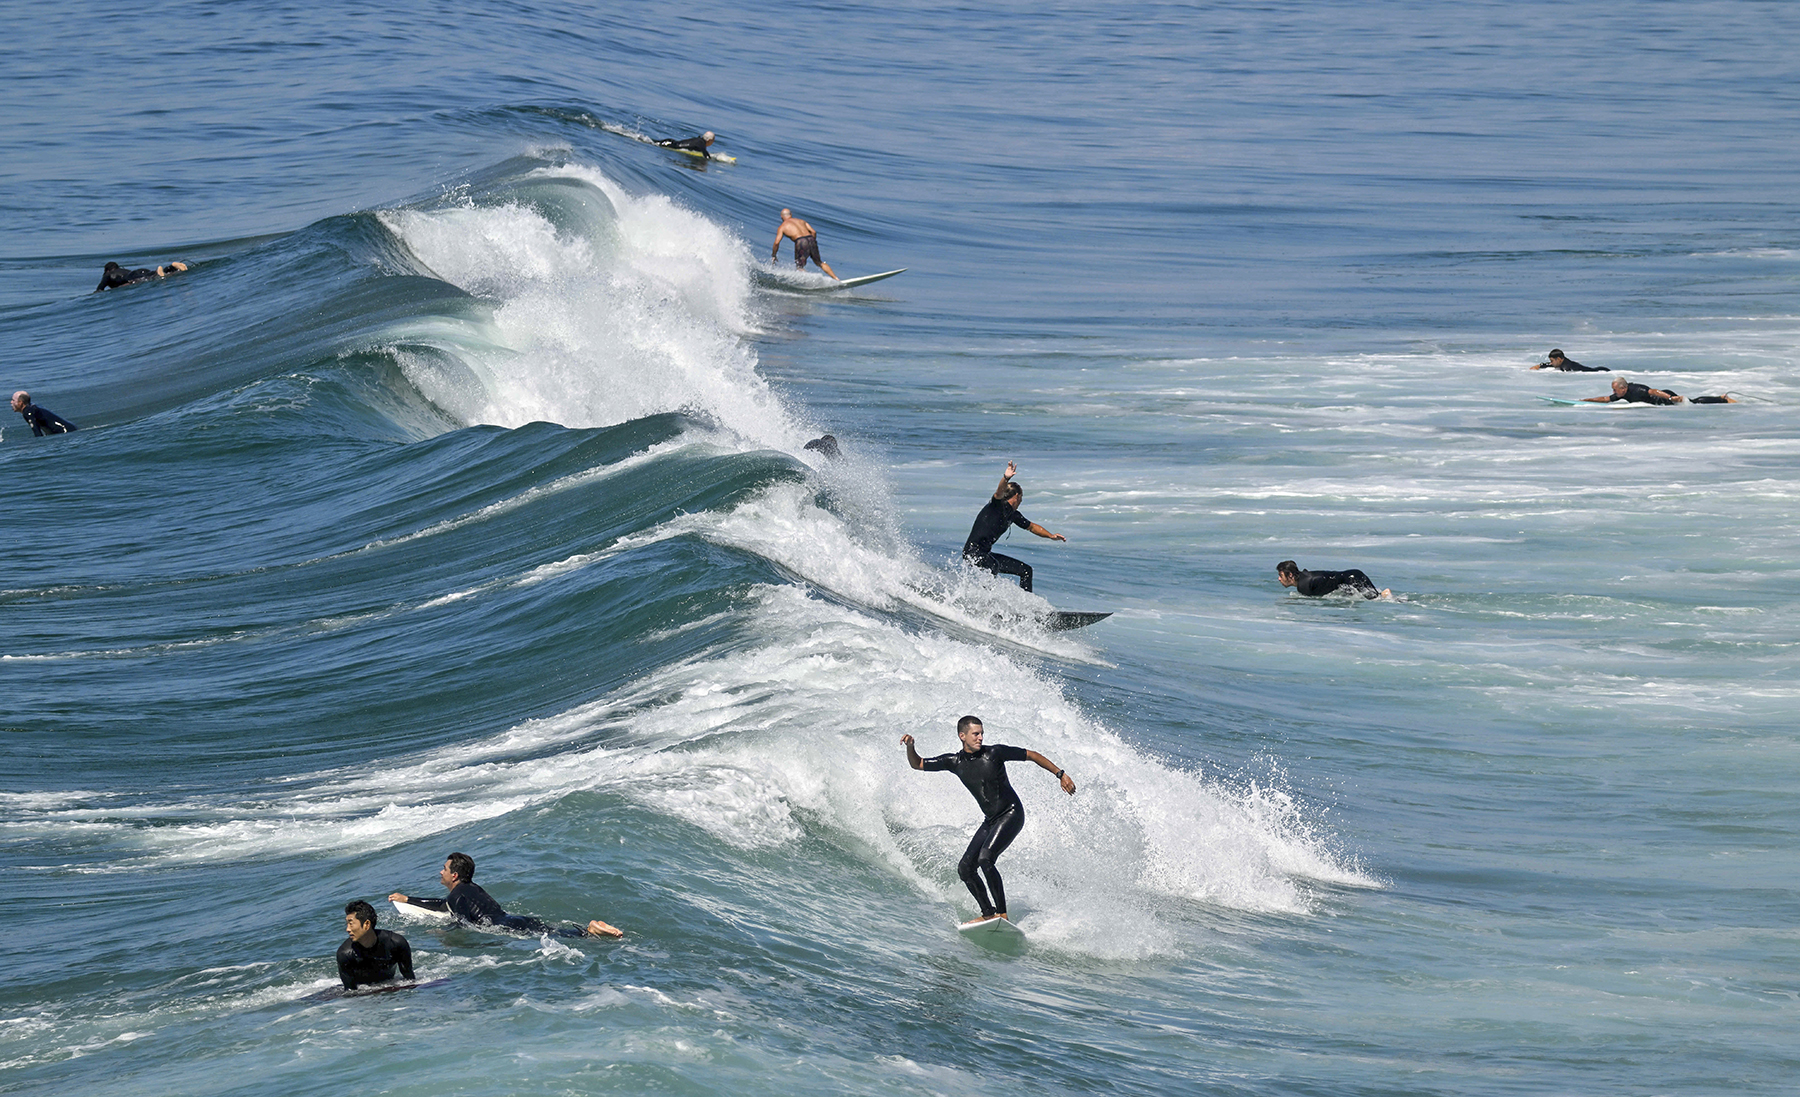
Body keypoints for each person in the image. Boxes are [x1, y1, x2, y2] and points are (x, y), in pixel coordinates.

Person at [901, 716, 1075, 925]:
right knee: (965, 868)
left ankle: (1002, 914)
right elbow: (918, 763)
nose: (980, 738)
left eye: (982, 733)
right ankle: (988, 914)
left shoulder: (994, 753)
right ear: (962, 736)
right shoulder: (954, 762)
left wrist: (1060, 774)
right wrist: (910, 747)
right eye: (976, 734)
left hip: (1011, 813)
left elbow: (1032, 755)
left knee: (985, 858)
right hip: (991, 820)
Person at [389, 852, 623, 938]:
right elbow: (443, 904)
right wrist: (408, 899)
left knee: (556, 937)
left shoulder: (456, 896)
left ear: (455, 875)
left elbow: (463, 923)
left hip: (505, 928)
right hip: (515, 919)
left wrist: (443, 933)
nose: (441, 872)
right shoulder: (473, 889)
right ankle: (590, 928)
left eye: (444, 869)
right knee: (555, 931)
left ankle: (591, 931)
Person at [961, 461, 1065, 593]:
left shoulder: (1013, 515)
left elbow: (1032, 527)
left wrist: (1051, 536)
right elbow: (999, 492)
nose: (1021, 501)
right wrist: (1006, 478)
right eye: (1021, 497)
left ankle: (1027, 603)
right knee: (993, 565)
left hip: (985, 554)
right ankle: (985, 600)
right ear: (1017, 496)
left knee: (1026, 570)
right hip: (972, 552)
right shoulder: (996, 505)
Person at [336, 899, 415, 990]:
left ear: (367, 924)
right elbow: (350, 992)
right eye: (347, 924)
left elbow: (410, 981)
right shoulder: (345, 954)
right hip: (363, 991)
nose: (348, 929)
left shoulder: (396, 943)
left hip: (387, 986)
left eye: (351, 924)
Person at [772, 209, 838, 280]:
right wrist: (812, 242)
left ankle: (810, 280)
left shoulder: (782, 227)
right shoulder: (801, 221)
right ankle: (836, 279)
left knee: (799, 267)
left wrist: (774, 255)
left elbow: (776, 243)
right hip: (811, 239)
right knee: (819, 262)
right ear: (791, 214)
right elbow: (813, 232)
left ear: (781, 216)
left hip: (801, 241)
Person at [1276, 560, 1389, 599]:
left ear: (1290, 575)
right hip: (1354, 575)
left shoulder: (1303, 586)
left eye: (1281, 575)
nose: (1279, 579)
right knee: (1378, 598)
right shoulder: (1304, 577)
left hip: (1352, 579)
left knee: (1377, 600)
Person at [1583, 377, 1735, 405]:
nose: (1613, 392)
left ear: (1623, 388)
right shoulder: (1621, 394)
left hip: (1664, 398)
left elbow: (1654, 391)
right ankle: (1721, 399)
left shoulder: (1637, 389)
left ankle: (1722, 399)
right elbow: (1605, 399)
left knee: (1693, 402)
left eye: (1615, 389)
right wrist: (1586, 400)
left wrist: (1670, 398)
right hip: (1662, 401)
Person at [94, 260, 187, 292]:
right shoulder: (125, 270)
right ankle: (172, 267)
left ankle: (160, 272)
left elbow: (99, 289)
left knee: (151, 277)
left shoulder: (108, 274)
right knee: (152, 274)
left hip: (131, 277)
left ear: (107, 270)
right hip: (138, 270)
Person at [11, 391, 77, 436]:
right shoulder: (33, 407)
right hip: (70, 428)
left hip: (65, 432)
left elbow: (37, 432)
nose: (11, 402)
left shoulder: (28, 412)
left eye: (13, 400)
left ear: (20, 402)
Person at [1531, 349, 1608, 372]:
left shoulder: (1566, 367)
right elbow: (1550, 364)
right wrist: (1539, 366)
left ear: (1559, 359)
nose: (1551, 363)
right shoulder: (1562, 362)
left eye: (1552, 360)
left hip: (1598, 371)